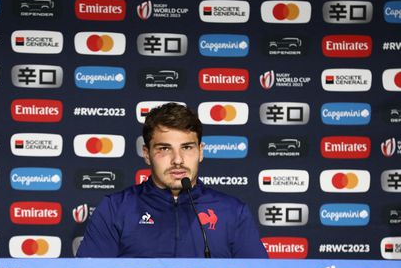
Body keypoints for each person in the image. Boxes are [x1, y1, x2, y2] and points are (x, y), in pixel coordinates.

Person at [76, 102, 268, 258]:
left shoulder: (232, 212)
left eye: (187, 147)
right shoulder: (115, 208)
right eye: (164, 149)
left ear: (201, 151)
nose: (177, 160)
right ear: (146, 153)